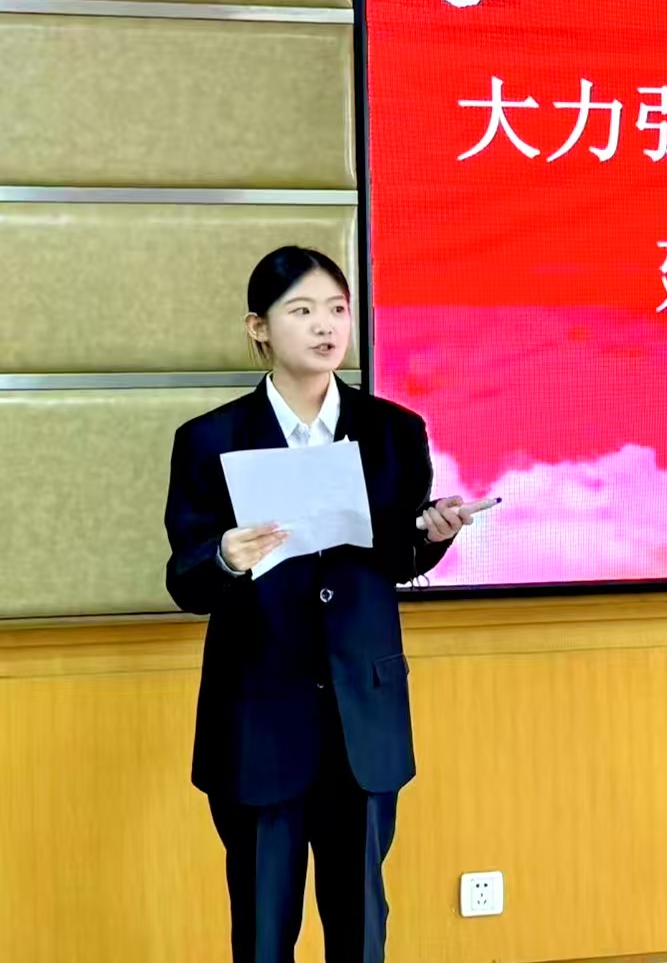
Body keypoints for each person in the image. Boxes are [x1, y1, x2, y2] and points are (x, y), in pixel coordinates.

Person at [164, 246, 486, 963]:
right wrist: (225, 557)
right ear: (258, 327)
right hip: (258, 720)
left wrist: (430, 536)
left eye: (337, 310)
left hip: (361, 717)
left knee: (360, 924)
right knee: (262, 931)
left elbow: (394, 560)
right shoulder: (210, 439)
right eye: (302, 310)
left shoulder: (393, 431)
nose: (326, 326)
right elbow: (185, 581)